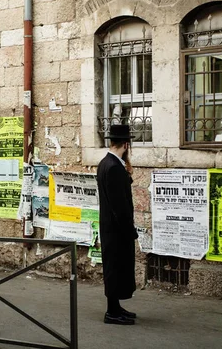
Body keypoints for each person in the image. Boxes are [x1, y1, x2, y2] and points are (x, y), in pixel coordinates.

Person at [97, 124, 138, 325]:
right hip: (116, 229)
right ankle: (112, 312)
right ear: (126, 144)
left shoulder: (107, 163)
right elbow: (119, 205)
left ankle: (116, 307)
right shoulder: (113, 167)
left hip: (111, 227)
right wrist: (129, 231)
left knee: (115, 268)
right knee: (115, 269)